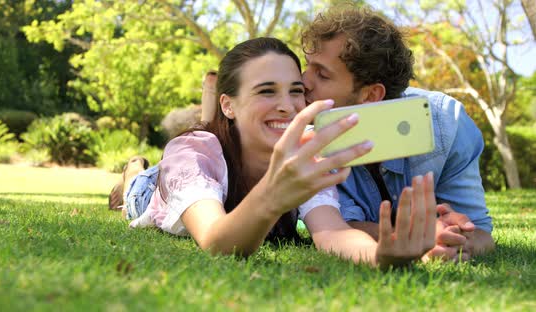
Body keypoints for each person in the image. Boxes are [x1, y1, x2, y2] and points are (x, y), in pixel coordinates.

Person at [200, 6, 495, 263]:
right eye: (308, 66)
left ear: (370, 94)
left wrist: (454, 241)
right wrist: (419, 234)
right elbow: (339, 227)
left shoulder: (448, 126)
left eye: (322, 74)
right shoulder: (312, 141)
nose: (303, 82)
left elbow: (479, 230)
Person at [123, 37, 437, 268]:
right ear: (228, 104)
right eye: (267, 91)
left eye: (296, 91)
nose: (287, 106)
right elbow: (215, 241)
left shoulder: (307, 154)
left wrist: (379, 256)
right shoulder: (193, 152)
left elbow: (332, 234)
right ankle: (132, 171)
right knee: (135, 189)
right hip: (153, 192)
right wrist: (274, 193)